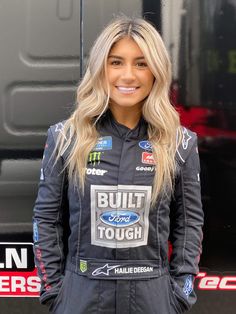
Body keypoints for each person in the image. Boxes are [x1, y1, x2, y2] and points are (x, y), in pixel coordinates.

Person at [33, 15, 204, 314]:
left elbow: (189, 224)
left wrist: (180, 295)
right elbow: (46, 219)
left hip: (153, 297)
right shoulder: (65, 137)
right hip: (81, 295)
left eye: (141, 63)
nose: (128, 75)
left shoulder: (179, 143)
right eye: (116, 62)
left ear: (156, 71)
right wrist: (54, 293)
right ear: (101, 68)